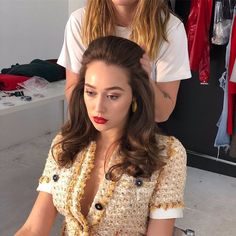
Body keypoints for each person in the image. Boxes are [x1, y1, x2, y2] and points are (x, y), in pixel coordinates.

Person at [15, 36, 186, 236]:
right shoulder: (66, 143)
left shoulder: (168, 155)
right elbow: (33, 228)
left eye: (113, 96)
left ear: (135, 95)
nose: (98, 108)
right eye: (91, 92)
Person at [57, 0, 191, 122]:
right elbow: (74, 94)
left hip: (140, 135)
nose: (100, 107)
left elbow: (162, 114)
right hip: (91, 129)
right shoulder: (80, 22)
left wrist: (145, 80)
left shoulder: (170, 29)